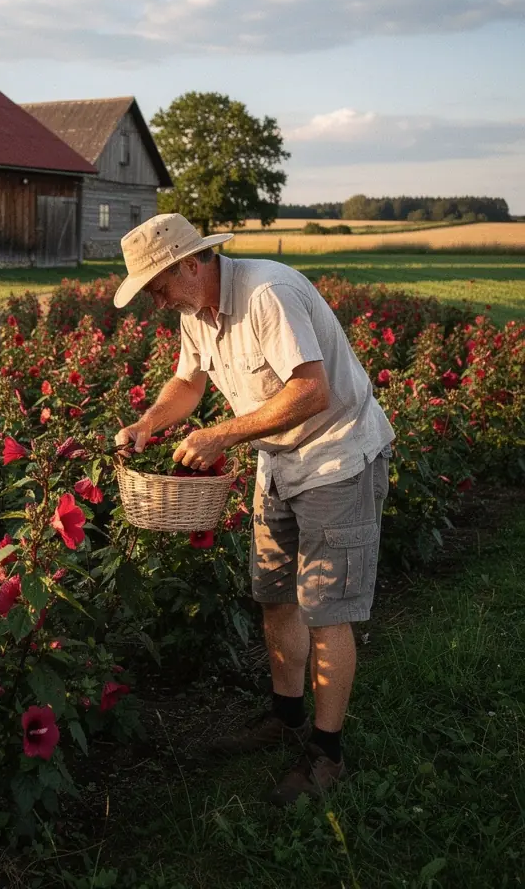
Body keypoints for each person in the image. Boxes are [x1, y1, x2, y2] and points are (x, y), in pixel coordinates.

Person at [113, 213, 394, 804]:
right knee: (274, 596)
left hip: (335, 455)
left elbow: (310, 389)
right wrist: (147, 422)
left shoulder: (269, 294)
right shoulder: (196, 312)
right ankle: (285, 716)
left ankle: (327, 751)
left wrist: (220, 436)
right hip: (279, 461)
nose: (157, 301)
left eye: (158, 286)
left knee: (327, 609)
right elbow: (187, 384)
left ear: (191, 263)